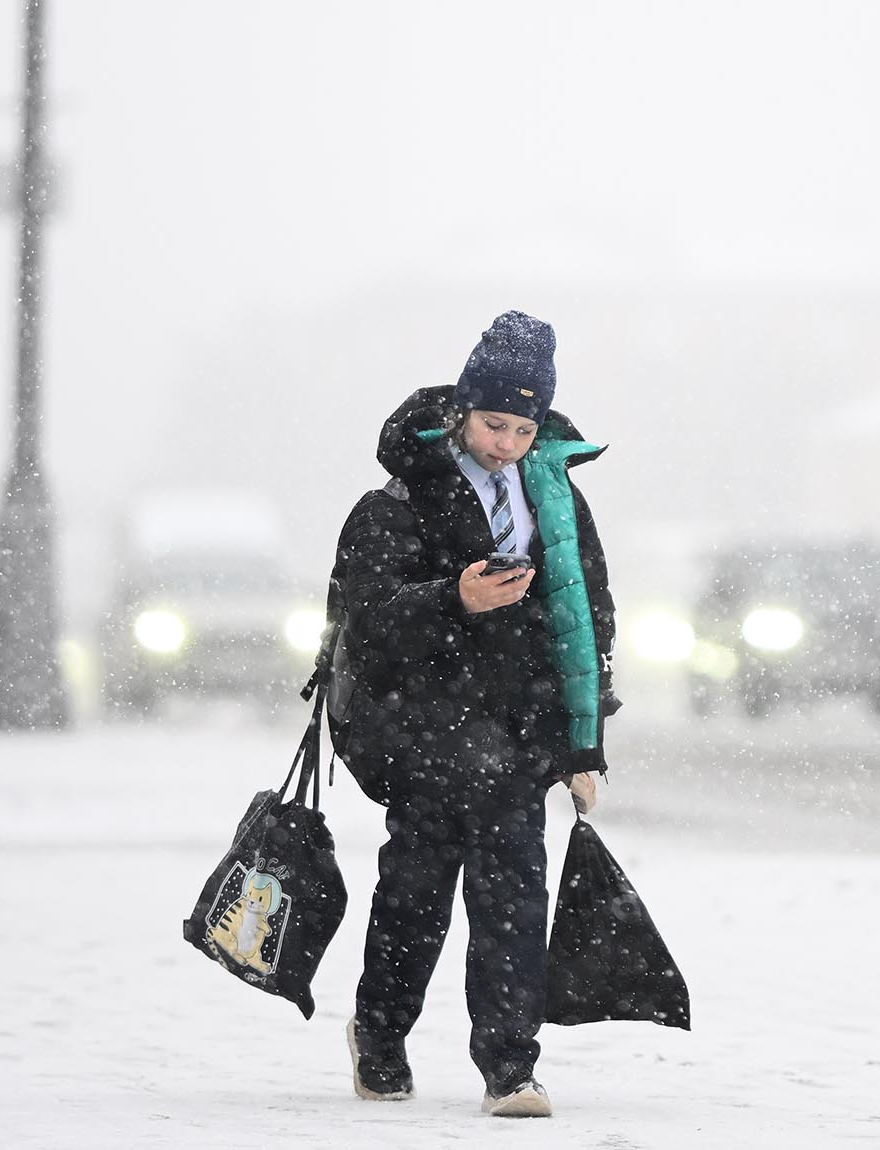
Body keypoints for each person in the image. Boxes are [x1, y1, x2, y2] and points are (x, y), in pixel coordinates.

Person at [333, 311, 618, 1118]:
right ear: (462, 410)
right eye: (494, 423)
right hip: (424, 736)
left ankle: (509, 1069)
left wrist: (583, 746)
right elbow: (369, 619)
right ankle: (380, 1042)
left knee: (515, 906)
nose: (507, 443)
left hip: (518, 739)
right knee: (412, 904)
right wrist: (452, 598)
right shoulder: (401, 497)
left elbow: (586, 620)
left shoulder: (558, 502)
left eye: (524, 428)